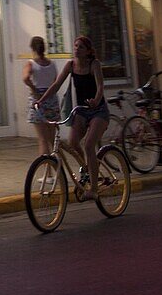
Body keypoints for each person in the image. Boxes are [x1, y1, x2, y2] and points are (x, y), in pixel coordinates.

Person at [35, 34, 109, 199]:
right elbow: (56, 85)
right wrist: (40, 100)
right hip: (81, 110)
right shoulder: (70, 65)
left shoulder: (94, 64)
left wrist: (96, 100)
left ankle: (94, 190)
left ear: (88, 51)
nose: (76, 49)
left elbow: (100, 85)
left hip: (98, 111)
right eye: (75, 46)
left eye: (80, 47)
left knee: (89, 145)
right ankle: (87, 169)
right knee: (73, 143)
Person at [23, 35, 59, 155]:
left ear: (32, 48)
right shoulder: (52, 64)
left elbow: (25, 78)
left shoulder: (31, 63)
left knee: (42, 138)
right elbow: (55, 81)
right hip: (51, 98)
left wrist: (34, 89)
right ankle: (56, 167)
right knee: (52, 138)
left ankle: (47, 167)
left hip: (38, 99)